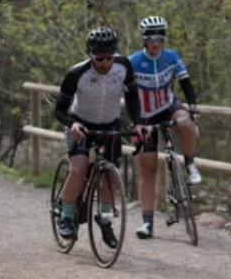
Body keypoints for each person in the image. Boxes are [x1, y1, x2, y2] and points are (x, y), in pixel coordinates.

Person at [53, 26, 141, 247]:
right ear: (89, 55)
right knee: (78, 169)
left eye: (108, 58)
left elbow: (132, 97)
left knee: (109, 176)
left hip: (110, 123)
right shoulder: (76, 74)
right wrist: (72, 124)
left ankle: (104, 220)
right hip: (80, 124)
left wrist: (138, 123)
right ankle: (65, 216)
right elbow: (59, 110)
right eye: (99, 59)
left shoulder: (123, 66)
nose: (104, 63)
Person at [128, 15, 202, 240]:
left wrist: (193, 105)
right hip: (144, 115)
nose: (156, 42)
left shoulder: (171, 57)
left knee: (187, 123)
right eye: (151, 38)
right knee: (148, 168)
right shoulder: (132, 62)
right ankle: (147, 223)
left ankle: (190, 165)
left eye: (160, 37)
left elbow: (185, 84)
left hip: (168, 105)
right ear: (144, 39)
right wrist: (136, 123)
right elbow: (129, 96)